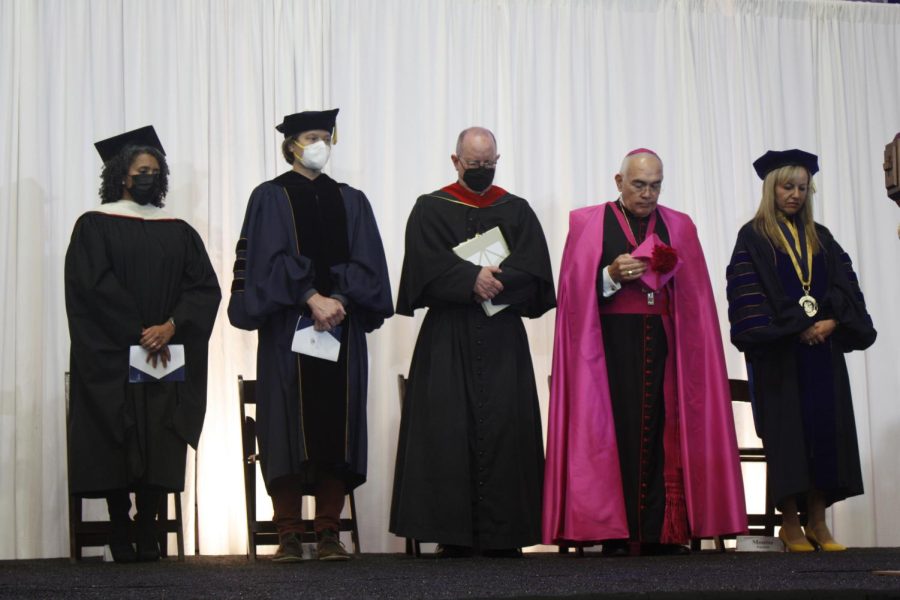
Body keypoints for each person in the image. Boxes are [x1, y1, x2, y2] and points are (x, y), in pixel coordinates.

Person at [543, 149, 747, 556]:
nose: (648, 193)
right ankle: (616, 533)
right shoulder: (587, 223)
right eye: (639, 185)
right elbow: (571, 294)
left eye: (655, 185)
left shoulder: (680, 226)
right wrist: (610, 276)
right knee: (612, 433)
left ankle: (661, 532)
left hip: (665, 343)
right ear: (619, 182)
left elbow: (696, 298)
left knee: (662, 431)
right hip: (608, 346)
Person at [228, 109, 393, 562]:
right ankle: (287, 533)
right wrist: (308, 296)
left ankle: (328, 533)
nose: (319, 143)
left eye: (325, 136)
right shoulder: (270, 196)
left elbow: (368, 262)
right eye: (310, 137)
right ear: (292, 145)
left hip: (342, 326)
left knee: (335, 429)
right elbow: (262, 261)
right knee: (285, 426)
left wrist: (338, 297)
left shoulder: (352, 200)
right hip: (289, 330)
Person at [389, 127, 556, 557]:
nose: (481, 171)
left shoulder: (516, 209)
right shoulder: (430, 208)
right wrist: (469, 279)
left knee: (506, 426)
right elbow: (422, 265)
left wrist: (492, 282)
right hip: (448, 338)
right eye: (473, 164)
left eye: (489, 164)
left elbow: (535, 267)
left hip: (502, 339)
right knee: (447, 430)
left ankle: (506, 535)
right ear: (455, 160)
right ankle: (453, 535)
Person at [65, 126, 221, 562]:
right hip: (113, 355)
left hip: (165, 354)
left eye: (155, 170)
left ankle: (150, 526)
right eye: (141, 170)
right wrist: (139, 330)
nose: (148, 176)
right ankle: (120, 526)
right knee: (115, 433)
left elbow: (203, 289)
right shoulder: (94, 225)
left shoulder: (179, 231)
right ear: (121, 175)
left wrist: (170, 327)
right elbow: (92, 288)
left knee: (162, 432)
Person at [726, 149, 876, 552]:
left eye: (802, 188)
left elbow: (846, 290)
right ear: (771, 188)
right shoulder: (753, 237)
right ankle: (789, 524)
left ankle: (818, 522)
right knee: (788, 439)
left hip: (822, 355)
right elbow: (748, 299)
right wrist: (796, 327)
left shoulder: (821, 237)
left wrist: (832, 323)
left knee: (825, 436)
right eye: (787, 186)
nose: (794, 194)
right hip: (780, 357)